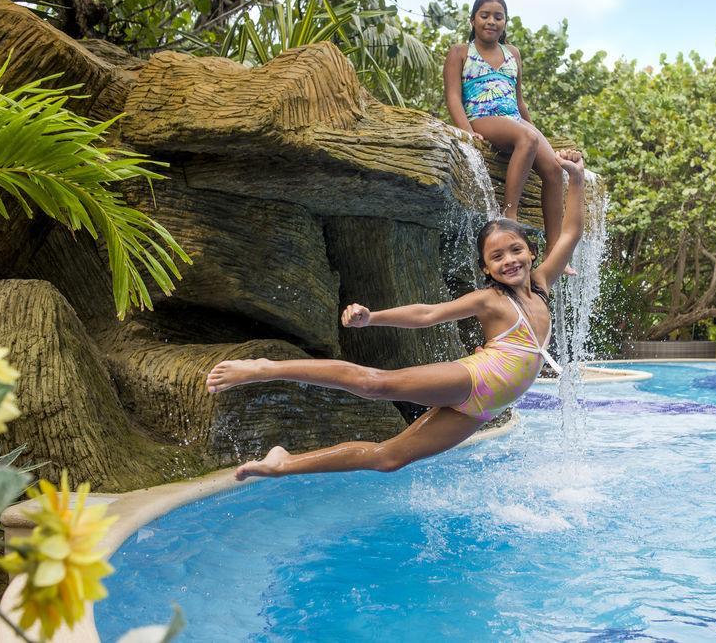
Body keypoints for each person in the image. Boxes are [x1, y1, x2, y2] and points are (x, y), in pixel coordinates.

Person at [205, 150, 585, 481]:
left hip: (485, 409)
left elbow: (570, 232)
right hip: (474, 380)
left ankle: (283, 463)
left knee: (389, 459)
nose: (509, 261)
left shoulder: (541, 284)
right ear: (485, 269)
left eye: (515, 250)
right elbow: (427, 314)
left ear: (532, 252)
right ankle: (263, 368)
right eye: (496, 257)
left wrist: (576, 178)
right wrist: (372, 317)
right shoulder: (490, 300)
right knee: (375, 384)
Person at [443, 0, 575, 275]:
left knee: (553, 168)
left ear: (505, 23)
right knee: (526, 139)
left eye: (498, 17)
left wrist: (537, 133)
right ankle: (508, 216)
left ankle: (554, 250)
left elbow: (519, 100)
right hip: (482, 117)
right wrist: (467, 132)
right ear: (473, 20)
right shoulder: (460, 52)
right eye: (485, 15)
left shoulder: (513, 53)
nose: (491, 21)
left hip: (513, 119)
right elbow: (453, 97)